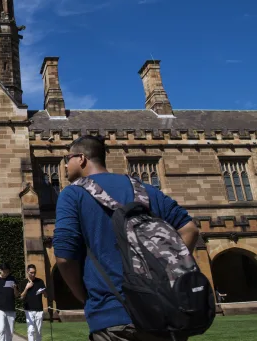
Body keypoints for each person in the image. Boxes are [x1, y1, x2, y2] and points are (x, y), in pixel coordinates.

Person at [53, 135, 199, 341]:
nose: (65, 164)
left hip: (114, 317)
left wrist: (85, 298)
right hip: (164, 313)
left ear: (81, 159)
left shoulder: (72, 194)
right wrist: (167, 271)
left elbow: (64, 258)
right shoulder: (144, 189)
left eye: (68, 158)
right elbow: (190, 229)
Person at [20, 264, 46, 341]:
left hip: (39, 309)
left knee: (38, 330)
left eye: (34, 272)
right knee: (30, 330)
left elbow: (46, 295)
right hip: (28, 309)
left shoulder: (40, 281)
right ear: (27, 272)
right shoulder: (23, 282)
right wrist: (27, 288)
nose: (33, 274)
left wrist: (44, 292)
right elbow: (21, 297)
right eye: (31, 272)